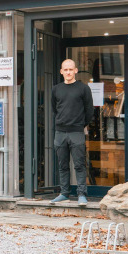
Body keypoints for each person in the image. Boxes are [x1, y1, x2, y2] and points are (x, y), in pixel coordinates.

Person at [51, 59, 94, 205]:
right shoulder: (56, 89)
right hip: (60, 132)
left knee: (79, 165)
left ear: (76, 70)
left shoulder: (83, 88)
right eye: (66, 70)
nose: (68, 72)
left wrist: (80, 124)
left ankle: (82, 194)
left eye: (71, 69)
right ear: (61, 71)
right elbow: (55, 109)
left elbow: (89, 111)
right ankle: (64, 193)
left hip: (76, 132)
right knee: (62, 165)